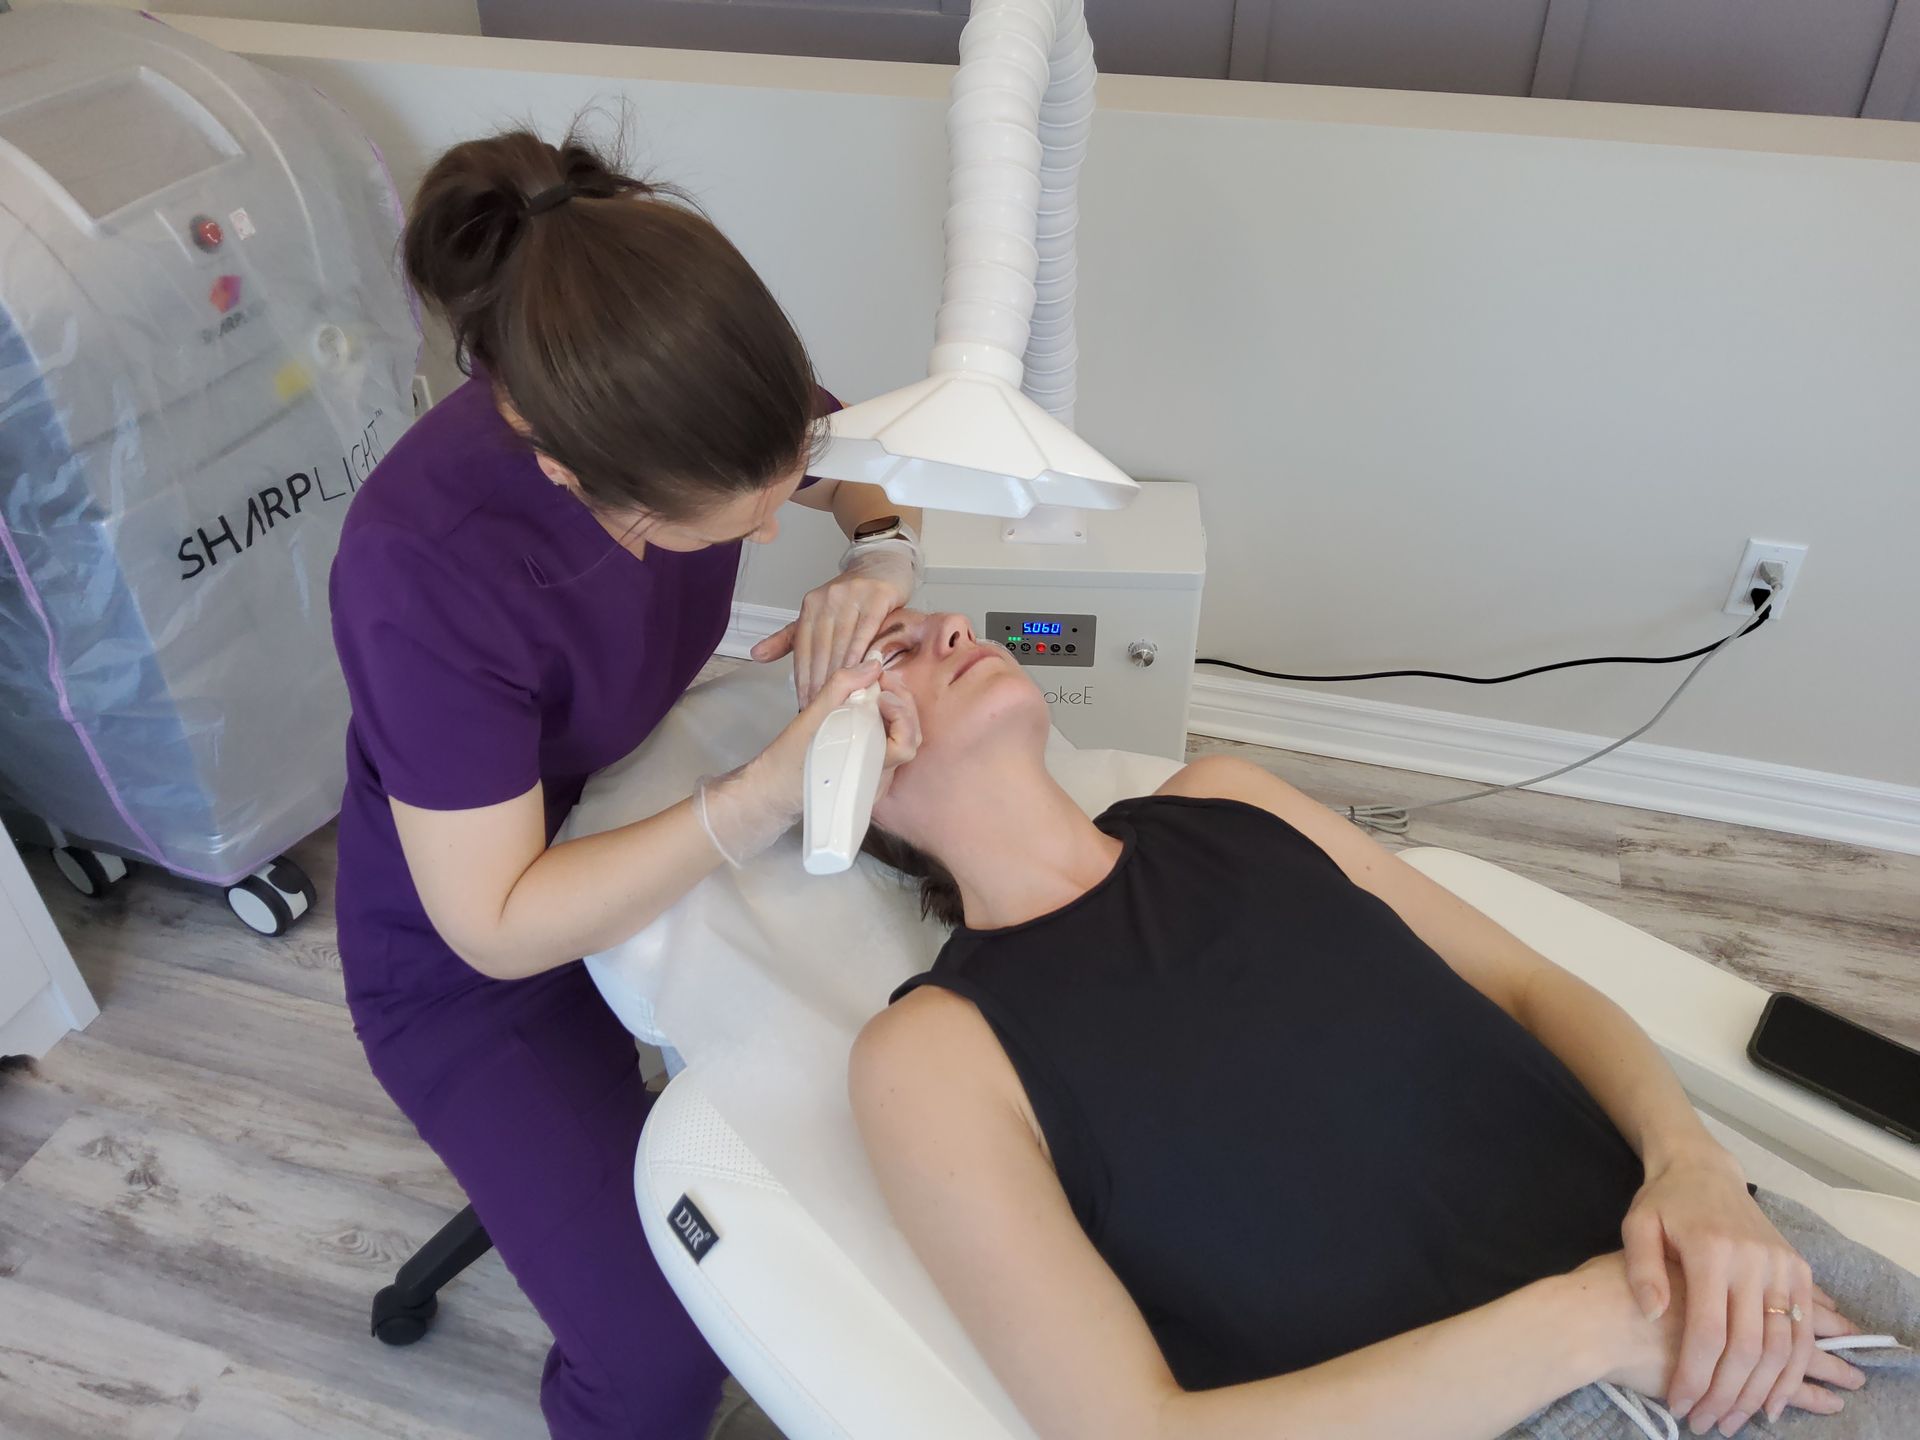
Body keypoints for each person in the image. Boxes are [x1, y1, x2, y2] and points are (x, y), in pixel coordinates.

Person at [849, 610, 1918, 1440]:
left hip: (1728, 1260)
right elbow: (1137, 1428)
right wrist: (1592, 1321)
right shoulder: (934, 1053)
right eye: (891, 652)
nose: (952, 629)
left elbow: (1533, 990)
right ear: (839, 771)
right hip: (1524, 1410)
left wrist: (1696, 1165)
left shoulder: (1230, 802)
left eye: (938, 618)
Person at [329, 126, 919, 1440]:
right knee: (658, 1356)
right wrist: (758, 800)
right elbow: (495, 918)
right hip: (470, 956)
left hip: (633, 791)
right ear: (581, 482)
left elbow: (841, 454)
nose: (777, 526)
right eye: (742, 519)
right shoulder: (422, 571)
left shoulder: (669, 368)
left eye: (783, 497)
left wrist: (882, 548)